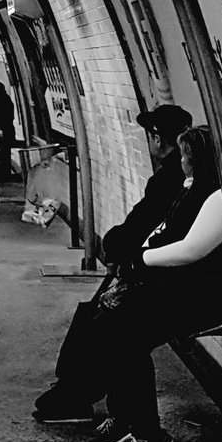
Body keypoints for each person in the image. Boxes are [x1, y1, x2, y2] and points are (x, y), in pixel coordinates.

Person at [90, 127, 222, 442]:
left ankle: (147, 434)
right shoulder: (216, 192)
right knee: (110, 323)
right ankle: (126, 417)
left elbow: (191, 250)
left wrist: (138, 261)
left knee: (123, 330)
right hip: (202, 289)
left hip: (220, 298)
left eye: (183, 155)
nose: (180, 162)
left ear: (198, 159)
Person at [32, 103, 193, 424]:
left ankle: (77, 395)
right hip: (156, 267)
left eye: (151, 135)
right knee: (97, 313)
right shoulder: (183, 175)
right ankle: (74, 388)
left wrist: (117, 248)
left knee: (104, 319)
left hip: (158, 273)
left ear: (159, 139)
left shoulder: (171, 178)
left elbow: (142, 223)